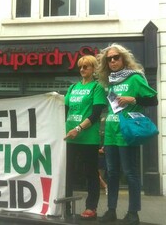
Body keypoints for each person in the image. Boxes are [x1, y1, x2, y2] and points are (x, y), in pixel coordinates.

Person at [96, 43, 158, 225]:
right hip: (110, 132)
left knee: (130, 173)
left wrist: (134, 99)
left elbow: (153, 100)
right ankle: (111, 210)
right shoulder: (109, 81)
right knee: (112, 173)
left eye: (116, 57)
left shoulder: (135, 78)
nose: (113, 61)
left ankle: (133, 213)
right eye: (109, 59)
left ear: (124, 58)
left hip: (128, 131)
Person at [64, 55, 107, 219]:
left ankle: (91, 207)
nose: (82, 70)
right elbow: (65, 111)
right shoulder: (72, 87)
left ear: (93, 69)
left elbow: (96, 114)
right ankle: (65, 205)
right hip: (70, 138)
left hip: (88, 139)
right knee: (67, 173)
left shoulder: (97, 87)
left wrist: (78, 128)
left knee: (90, 173)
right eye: (80, 67)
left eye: (86, 67)